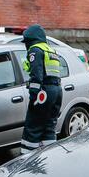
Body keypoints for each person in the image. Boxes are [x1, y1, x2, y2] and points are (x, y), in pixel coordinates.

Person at [20, 24, 63, 155]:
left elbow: (36, 76)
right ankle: (49, 156)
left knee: (33, 127)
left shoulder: (35, 50)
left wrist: (34, 95)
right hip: (57, 91)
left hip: (43, 93)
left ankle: (27, 159)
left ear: (30, 40)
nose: (26, 45)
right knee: (49, 127)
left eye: (26, 42)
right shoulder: (51, 51)